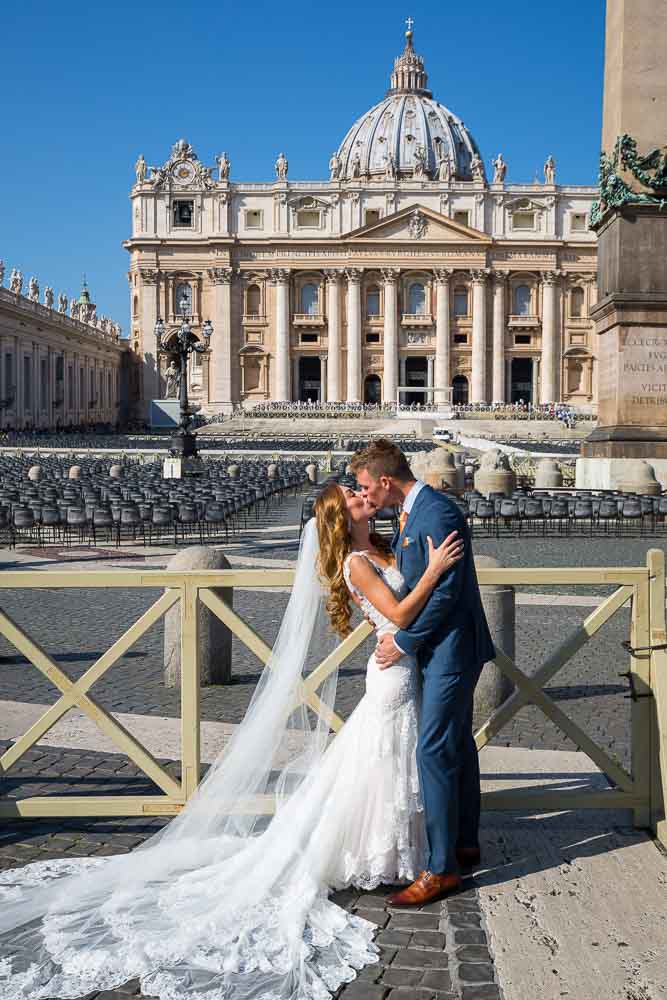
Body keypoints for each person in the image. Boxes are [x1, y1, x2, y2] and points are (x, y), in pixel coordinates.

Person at [0, 481, 463, 1000]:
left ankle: (396, 848)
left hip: (404, 668)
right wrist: (435, 572)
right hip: (393, 672)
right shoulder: (356, 563)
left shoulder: (380, 545)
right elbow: (399, 614)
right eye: (352, 497)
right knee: (380, 759)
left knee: (383, 762)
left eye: (360, 491)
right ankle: (379, 853)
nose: (362, 497)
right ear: (340, 517)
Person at [351, 438, 495, 906]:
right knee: (454, 743)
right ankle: (465, 839)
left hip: (450, 649)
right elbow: (415, 584)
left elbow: (446, 594)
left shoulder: (436, 513)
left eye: (366, 486)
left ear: (387, 481)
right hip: (437, 650)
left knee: (432, 749)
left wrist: (405, 642)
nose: (365, 494)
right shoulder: (412, 512)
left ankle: (441, 869)